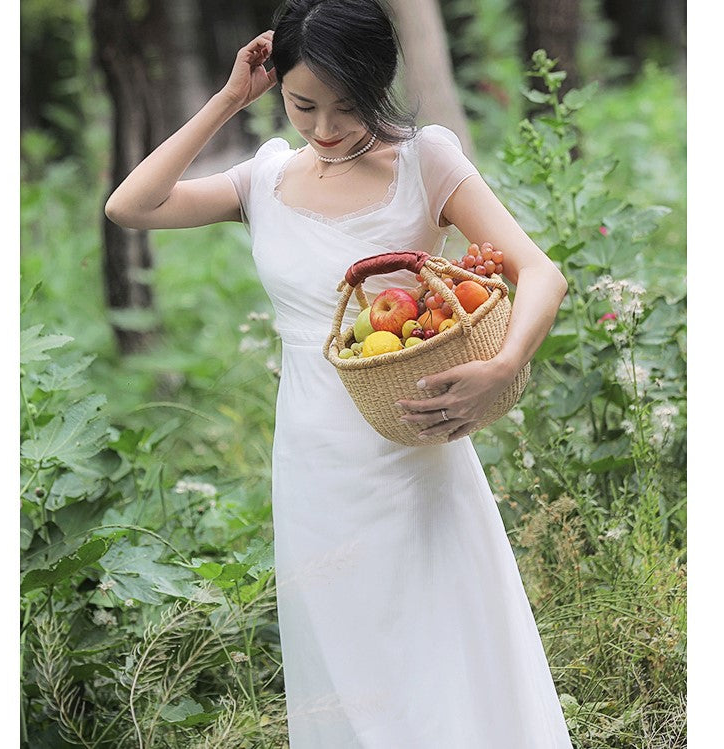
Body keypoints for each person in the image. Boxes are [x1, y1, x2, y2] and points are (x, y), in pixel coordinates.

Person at [105, 1, 573, 745]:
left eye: (346, 107)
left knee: (437, 650)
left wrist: (503, 364)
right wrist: (230, 98)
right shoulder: (263, 179)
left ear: (377, 83)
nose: (324, 129)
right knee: (347, 665)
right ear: (279, 91)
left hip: (411, 447)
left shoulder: (426, 161)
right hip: (313, 461)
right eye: (302, 105)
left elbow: (539, 273)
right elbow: (131, 205)